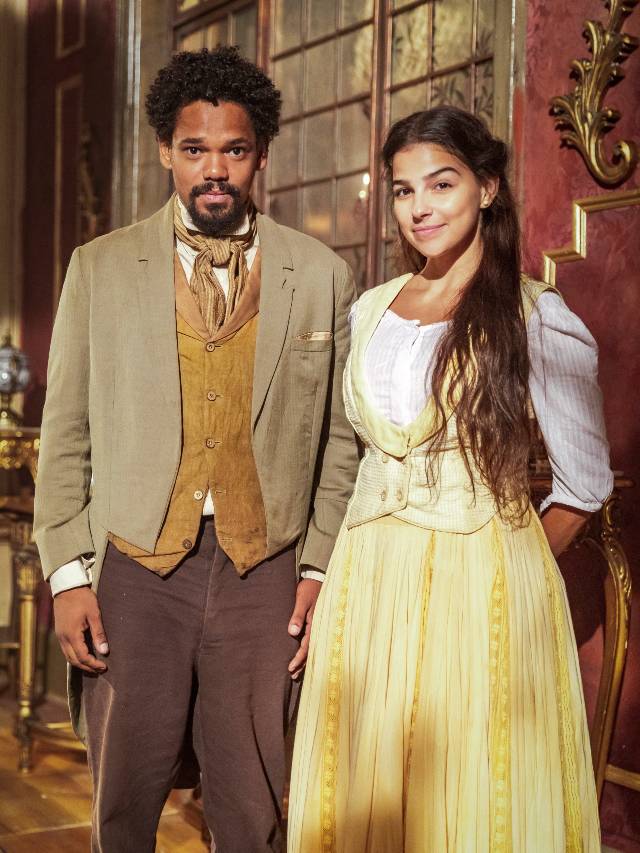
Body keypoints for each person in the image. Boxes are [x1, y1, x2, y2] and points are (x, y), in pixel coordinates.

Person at [33, 46, 359, 853]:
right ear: (165, 152)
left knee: (253, 806)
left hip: (265, 570)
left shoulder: (321, 274)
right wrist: (67, 575)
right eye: (195, 149)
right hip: (136, 564)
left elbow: (339, 444)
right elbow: (65, 431)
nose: (215, 169)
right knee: (124, 797)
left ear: (261, 154)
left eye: (234, 149)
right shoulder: (100, 268)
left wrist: (318, 567)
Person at [287, 106, 612, 852]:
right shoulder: (370, 310)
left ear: (487, 187)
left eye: (441, 184)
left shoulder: (534, 314)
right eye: (404, 191)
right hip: (366, 585)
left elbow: (585, 484)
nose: (420, 208)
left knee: (467, 795)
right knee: (367, 788)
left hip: (481, 590)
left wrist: (506, 565)